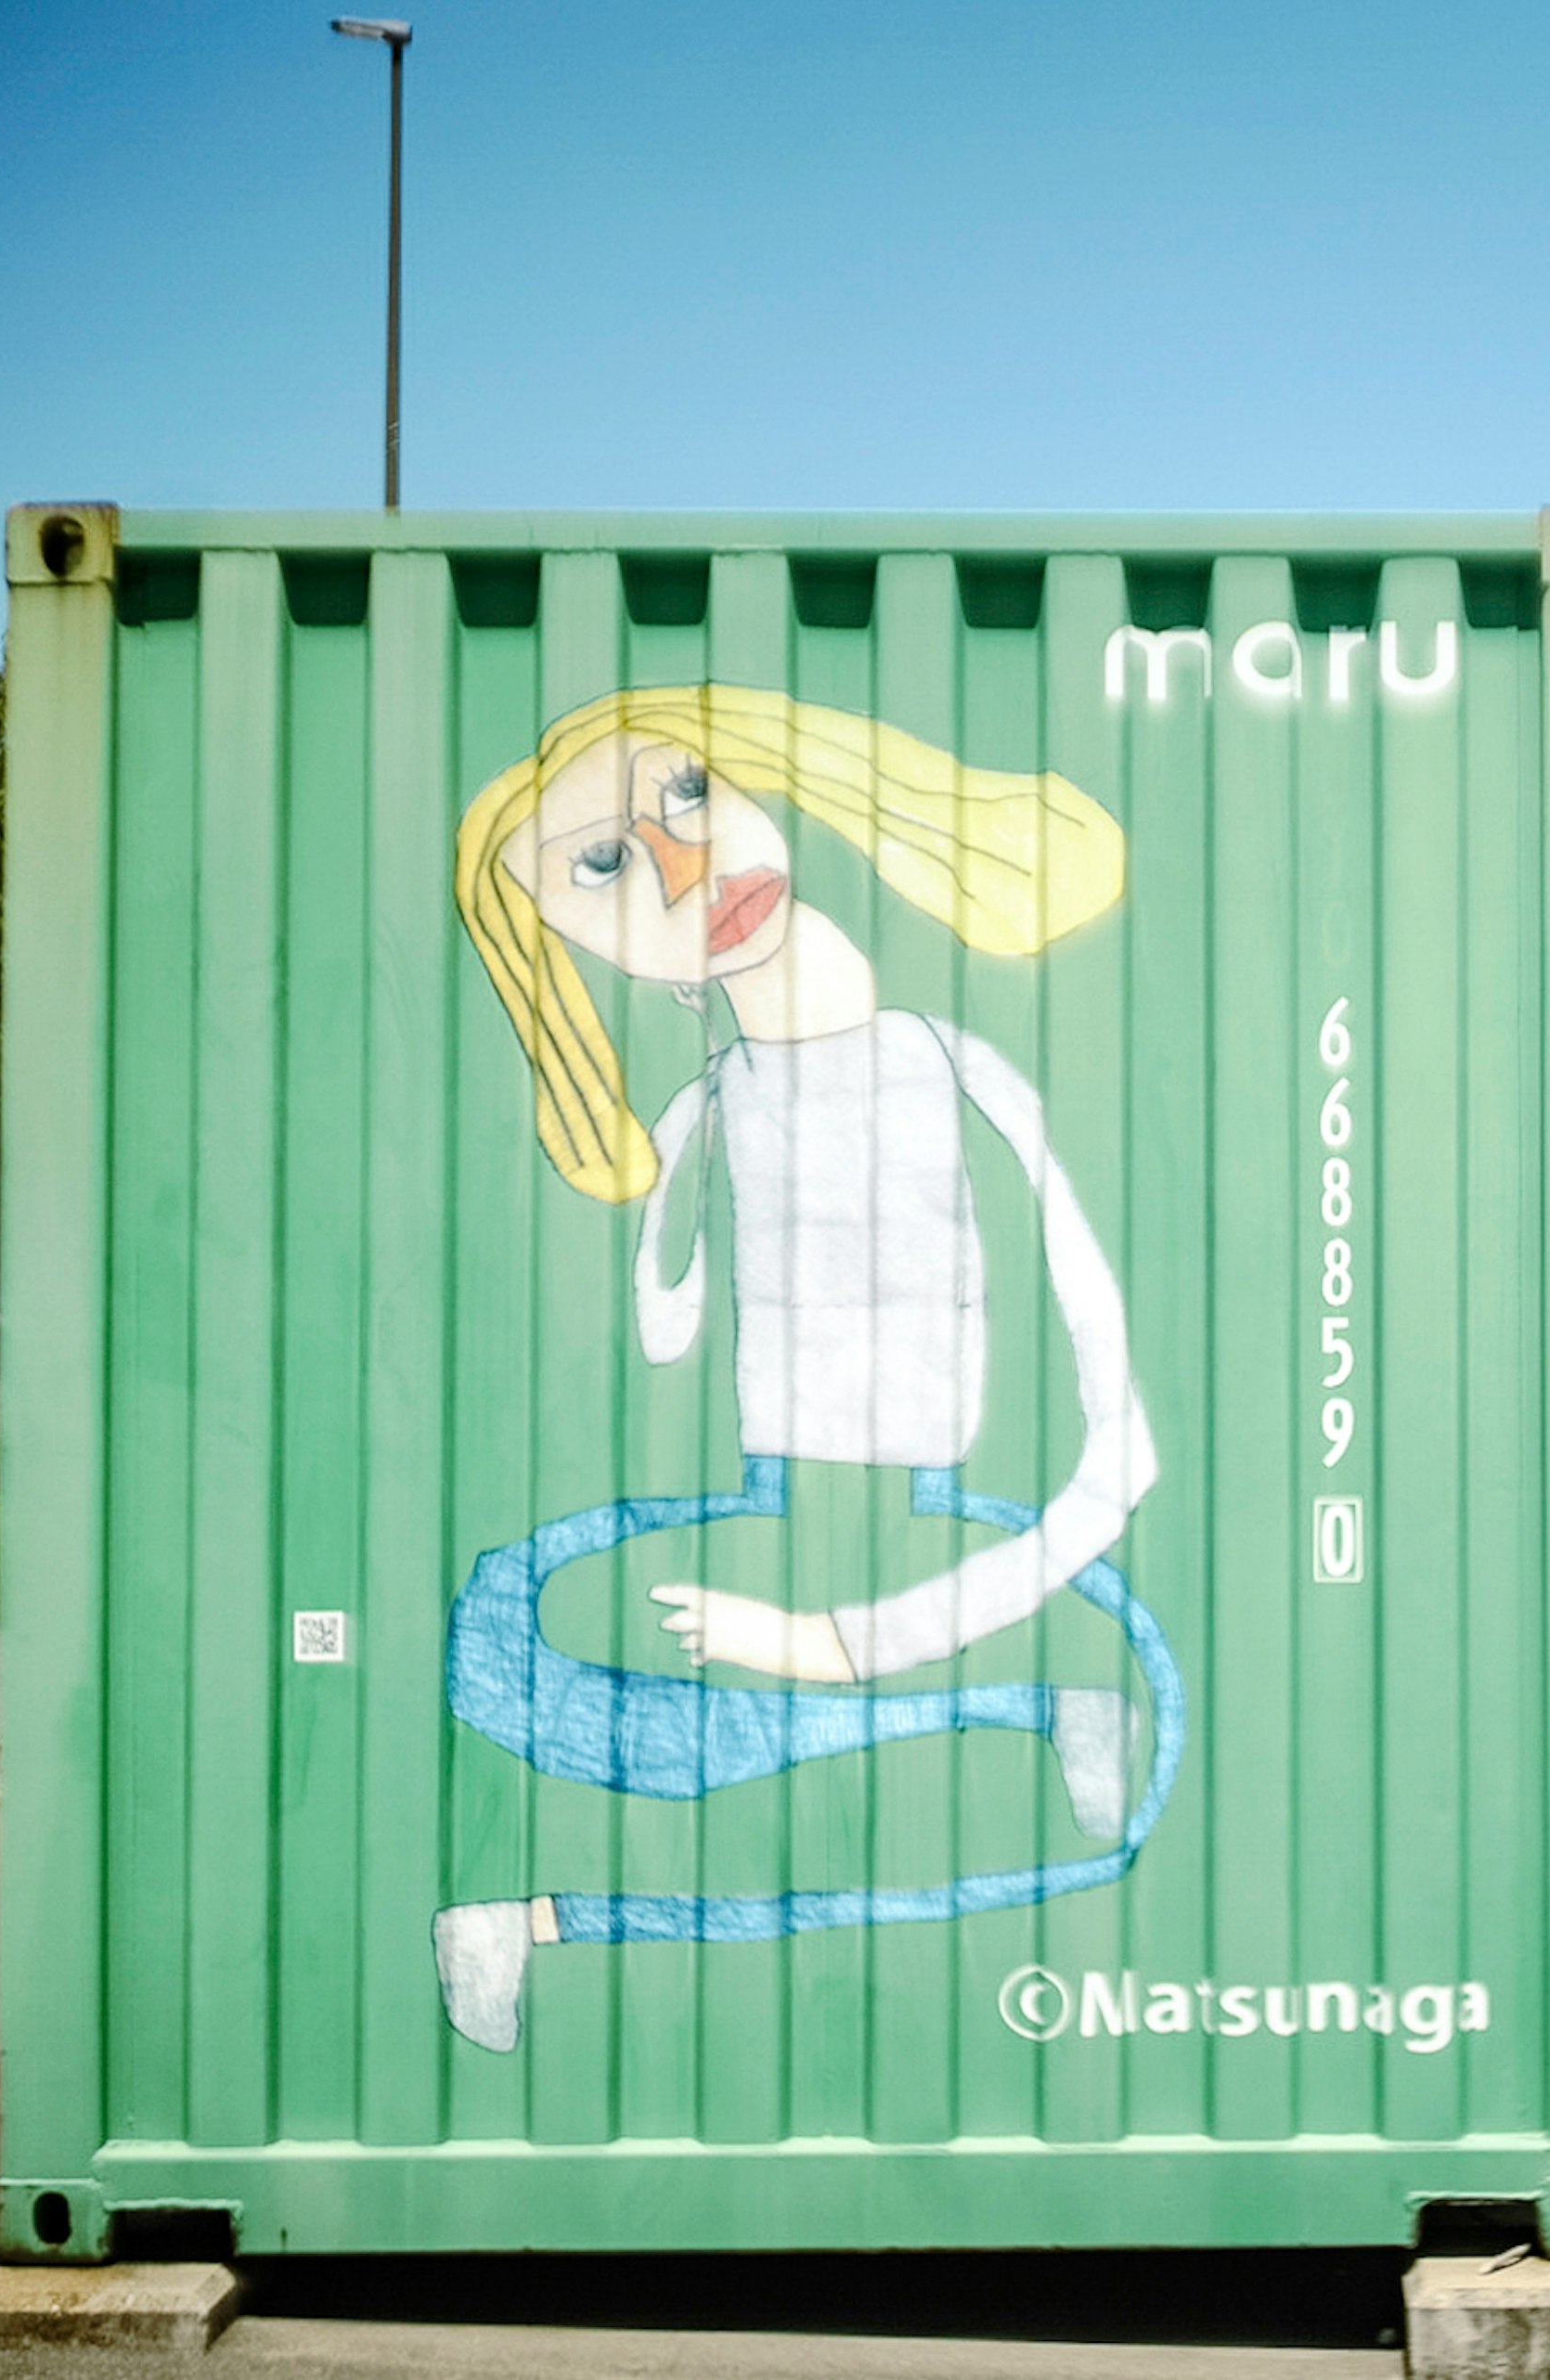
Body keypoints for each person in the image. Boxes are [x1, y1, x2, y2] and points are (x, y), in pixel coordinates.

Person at [426, 683, 1176, 2054]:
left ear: (772, 781)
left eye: (690, 792)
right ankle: (1020, 1713)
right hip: (771, 1531)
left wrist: (828, 1644)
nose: (680, 865)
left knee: (1082, 1709)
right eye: (602, 866)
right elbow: (659, 1352)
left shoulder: (970, 1082)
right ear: (586, 947)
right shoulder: (698, 1128)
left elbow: (1117, 1456)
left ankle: (541, 1917)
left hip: (945, 1546)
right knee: (505, 1639)